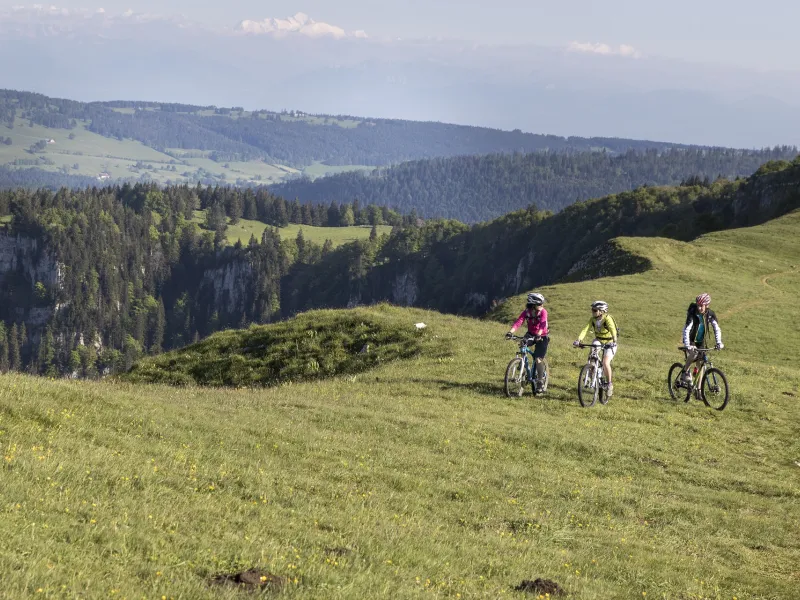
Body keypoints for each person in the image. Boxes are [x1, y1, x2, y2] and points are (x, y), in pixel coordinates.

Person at [573, 300, 618, 397]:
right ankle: (590, 374)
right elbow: (585, 329)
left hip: (610, 342)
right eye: (592, 309)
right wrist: (579, 340)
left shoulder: (607, 319)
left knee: (606, 362)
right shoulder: (592, 319)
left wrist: (614, 341)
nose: (592, 311)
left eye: (594, 310)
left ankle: (609, 384)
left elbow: (613, 330)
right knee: (592, 355)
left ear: (601, 311)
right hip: (599, 340)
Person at [506, 292, 549, 388]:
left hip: (542, 336)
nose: (542, 305)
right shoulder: (527, 312)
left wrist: (539, 334)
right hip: (530, 334)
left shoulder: (543, 312)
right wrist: (510, 332)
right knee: (522, 344)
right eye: (539, 304)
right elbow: (519, 322)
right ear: (533, 305)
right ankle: (522, 364)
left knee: (538, 359)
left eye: (542, 303)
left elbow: (542, 324)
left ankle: (540, 380)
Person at [681, 293, 723, 384]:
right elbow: (687, 329)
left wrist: (719, 342)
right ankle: (684, 372)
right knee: (694, 354)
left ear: (707, 305)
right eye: (698, 305)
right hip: (690, 339)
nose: (699, 308)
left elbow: (716, 328)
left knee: (701, 364)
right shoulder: (693, 313)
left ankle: (699, 390)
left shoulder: (710, 314)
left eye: (701, 306)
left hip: (700, 341)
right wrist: (688, 345)